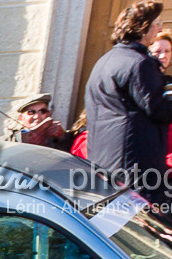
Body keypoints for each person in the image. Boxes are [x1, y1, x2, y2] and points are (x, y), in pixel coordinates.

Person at [84, 1, 172, 210]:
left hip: (106, 167)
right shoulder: (140, 63)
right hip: (137, 170)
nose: (159, 29)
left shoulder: (105, 61)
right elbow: (160, 109)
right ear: (143, 28)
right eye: (156, 23)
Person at [5, 93, 76, 152]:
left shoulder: (61, 136)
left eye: (42, 111)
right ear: (21, 118)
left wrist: (62, 138)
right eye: (31, 112)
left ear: (48, 114)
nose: (37, 116)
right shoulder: (7, 141)